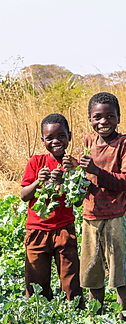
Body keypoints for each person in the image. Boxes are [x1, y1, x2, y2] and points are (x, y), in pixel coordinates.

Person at [63, 92, 126, 318]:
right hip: (90, 217)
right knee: (93, 271)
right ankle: (96, 318)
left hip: (114, 216)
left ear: (118, 117)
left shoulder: (124, 143)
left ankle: (124, 320)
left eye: (109, 116)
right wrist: (73, 167)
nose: (103, 122)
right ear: (90, 119)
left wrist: (96, 171)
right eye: (97, 117)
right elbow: (83, 178)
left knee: (118, 273)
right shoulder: (87, 142)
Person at [21, 113, 84, 308]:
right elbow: (24, 195)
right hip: (37, 230)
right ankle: (40, 318)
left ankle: (76, 317)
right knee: (36, 285)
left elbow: (79, 200)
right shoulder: (36, 163)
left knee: (71, 281)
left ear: (69, 136)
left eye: (61, 136)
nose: (56, 141)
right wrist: (39, 182)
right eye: (50, 138)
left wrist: (69, 176)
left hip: (64, 229)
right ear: (43, 140)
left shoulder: (73, 164)